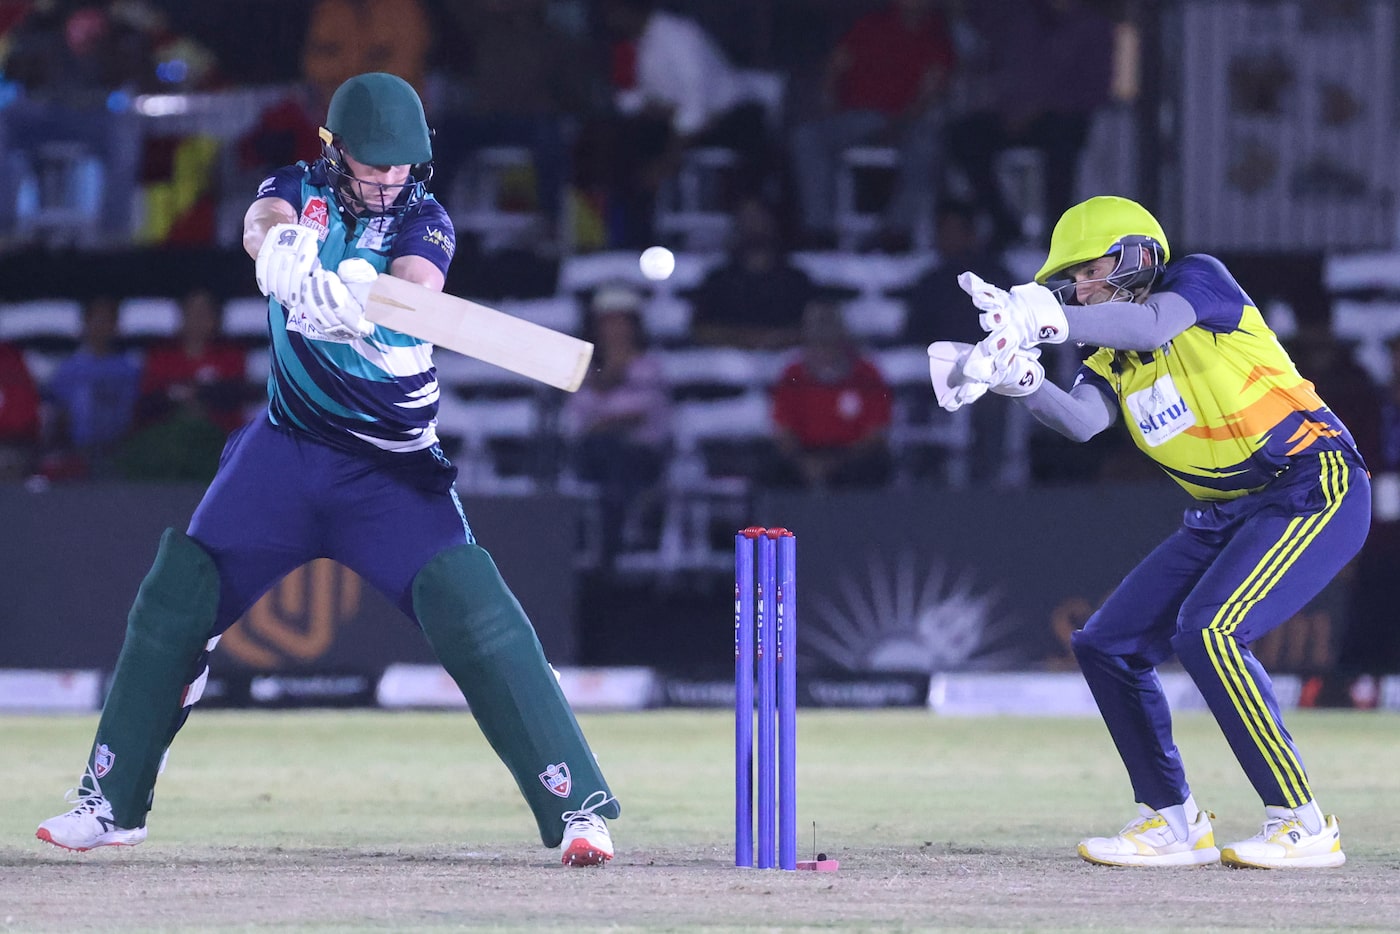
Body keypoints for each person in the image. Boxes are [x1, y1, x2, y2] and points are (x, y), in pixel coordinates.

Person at [35, 72, 620, 868]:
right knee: (176, 598)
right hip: (285, 451)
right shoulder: (294, 190)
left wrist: (368, 312)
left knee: (477, 617)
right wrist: (277, 249)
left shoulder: (426, 219)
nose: (388, 179)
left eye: (402, 165)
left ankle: (577, 809)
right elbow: (262, 217)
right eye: (373, 163)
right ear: (334, 150)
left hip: (387, 473)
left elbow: (421, 285)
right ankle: (111, 801)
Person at [937, 195, 1369, 868]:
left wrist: (1047, 316)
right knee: (1107, 644)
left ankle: (1304, 821)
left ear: (1138, 255)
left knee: (1211, 628)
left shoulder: (1198, 280)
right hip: (1222, 511)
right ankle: (1173, 821)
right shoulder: (1108, 352)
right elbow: (1082, 421)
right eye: (1070, 280)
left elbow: (1154, 326)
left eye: (1089, 270)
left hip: (1312, 483)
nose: (1079, 287)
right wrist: (1016, 379)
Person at [945, 0, 1115, 248]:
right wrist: (1010, 107)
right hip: (1015, 114)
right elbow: (1000, 64)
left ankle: (1058, 232)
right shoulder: (1020, 16)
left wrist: (1042, 105)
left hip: (1065, 117)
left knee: (1063, 143)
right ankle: (1002, 223)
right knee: (964, 136)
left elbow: (1096, 88)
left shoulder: (1094, 26)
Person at [789, 0, 958, 250]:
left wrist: (899, 123)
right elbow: (835, 68)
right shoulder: (869, 26)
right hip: (857, 117)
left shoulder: (937, 39)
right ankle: (819, 231)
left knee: (927, 146)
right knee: (807, 137)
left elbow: (931, 92)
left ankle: (896, 232)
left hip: (909, 121)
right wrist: (829, 102)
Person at [560, 283, 672, 569]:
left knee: (616, 459)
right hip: (592, 456)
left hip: (641, 457)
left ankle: (610, 550)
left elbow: (639, 414)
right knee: (604, 454)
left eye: (622, 321)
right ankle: (611, 545)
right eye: (608, 322)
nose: (616, 329)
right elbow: (575, 420)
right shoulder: (583, 369)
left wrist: (603, 418)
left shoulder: (650, 366)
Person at [767, 299, 893, 489]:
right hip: (805, 453)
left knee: (873, 466)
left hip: (852, 456)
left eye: (830, 340)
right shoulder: (792, 375)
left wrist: (835, 464)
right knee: (774, 469)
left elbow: (876, 433)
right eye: (818, 341)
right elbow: (783, 430)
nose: (824, 349)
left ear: (843, 340)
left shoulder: (867, 375)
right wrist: (805, 462)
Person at [687, 196, 816, 350]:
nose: (753, 225)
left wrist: (778, 338)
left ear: (772, 222)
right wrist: (739, 338)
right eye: (746, 218)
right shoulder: (717, 280)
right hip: (725, 366)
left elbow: (814, 328)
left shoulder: (796, 280)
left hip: (786, 365)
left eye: (759, 217)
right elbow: (698, 329)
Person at [40, 295, 142, 481]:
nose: (101, 326)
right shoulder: (67, 370)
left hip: (122, 452)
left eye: (107, 320)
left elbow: (140, 412)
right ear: (85, 323)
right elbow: (53, 415)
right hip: (78, 454)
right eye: (96, 319)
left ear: (116, 326)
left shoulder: (130, 370)